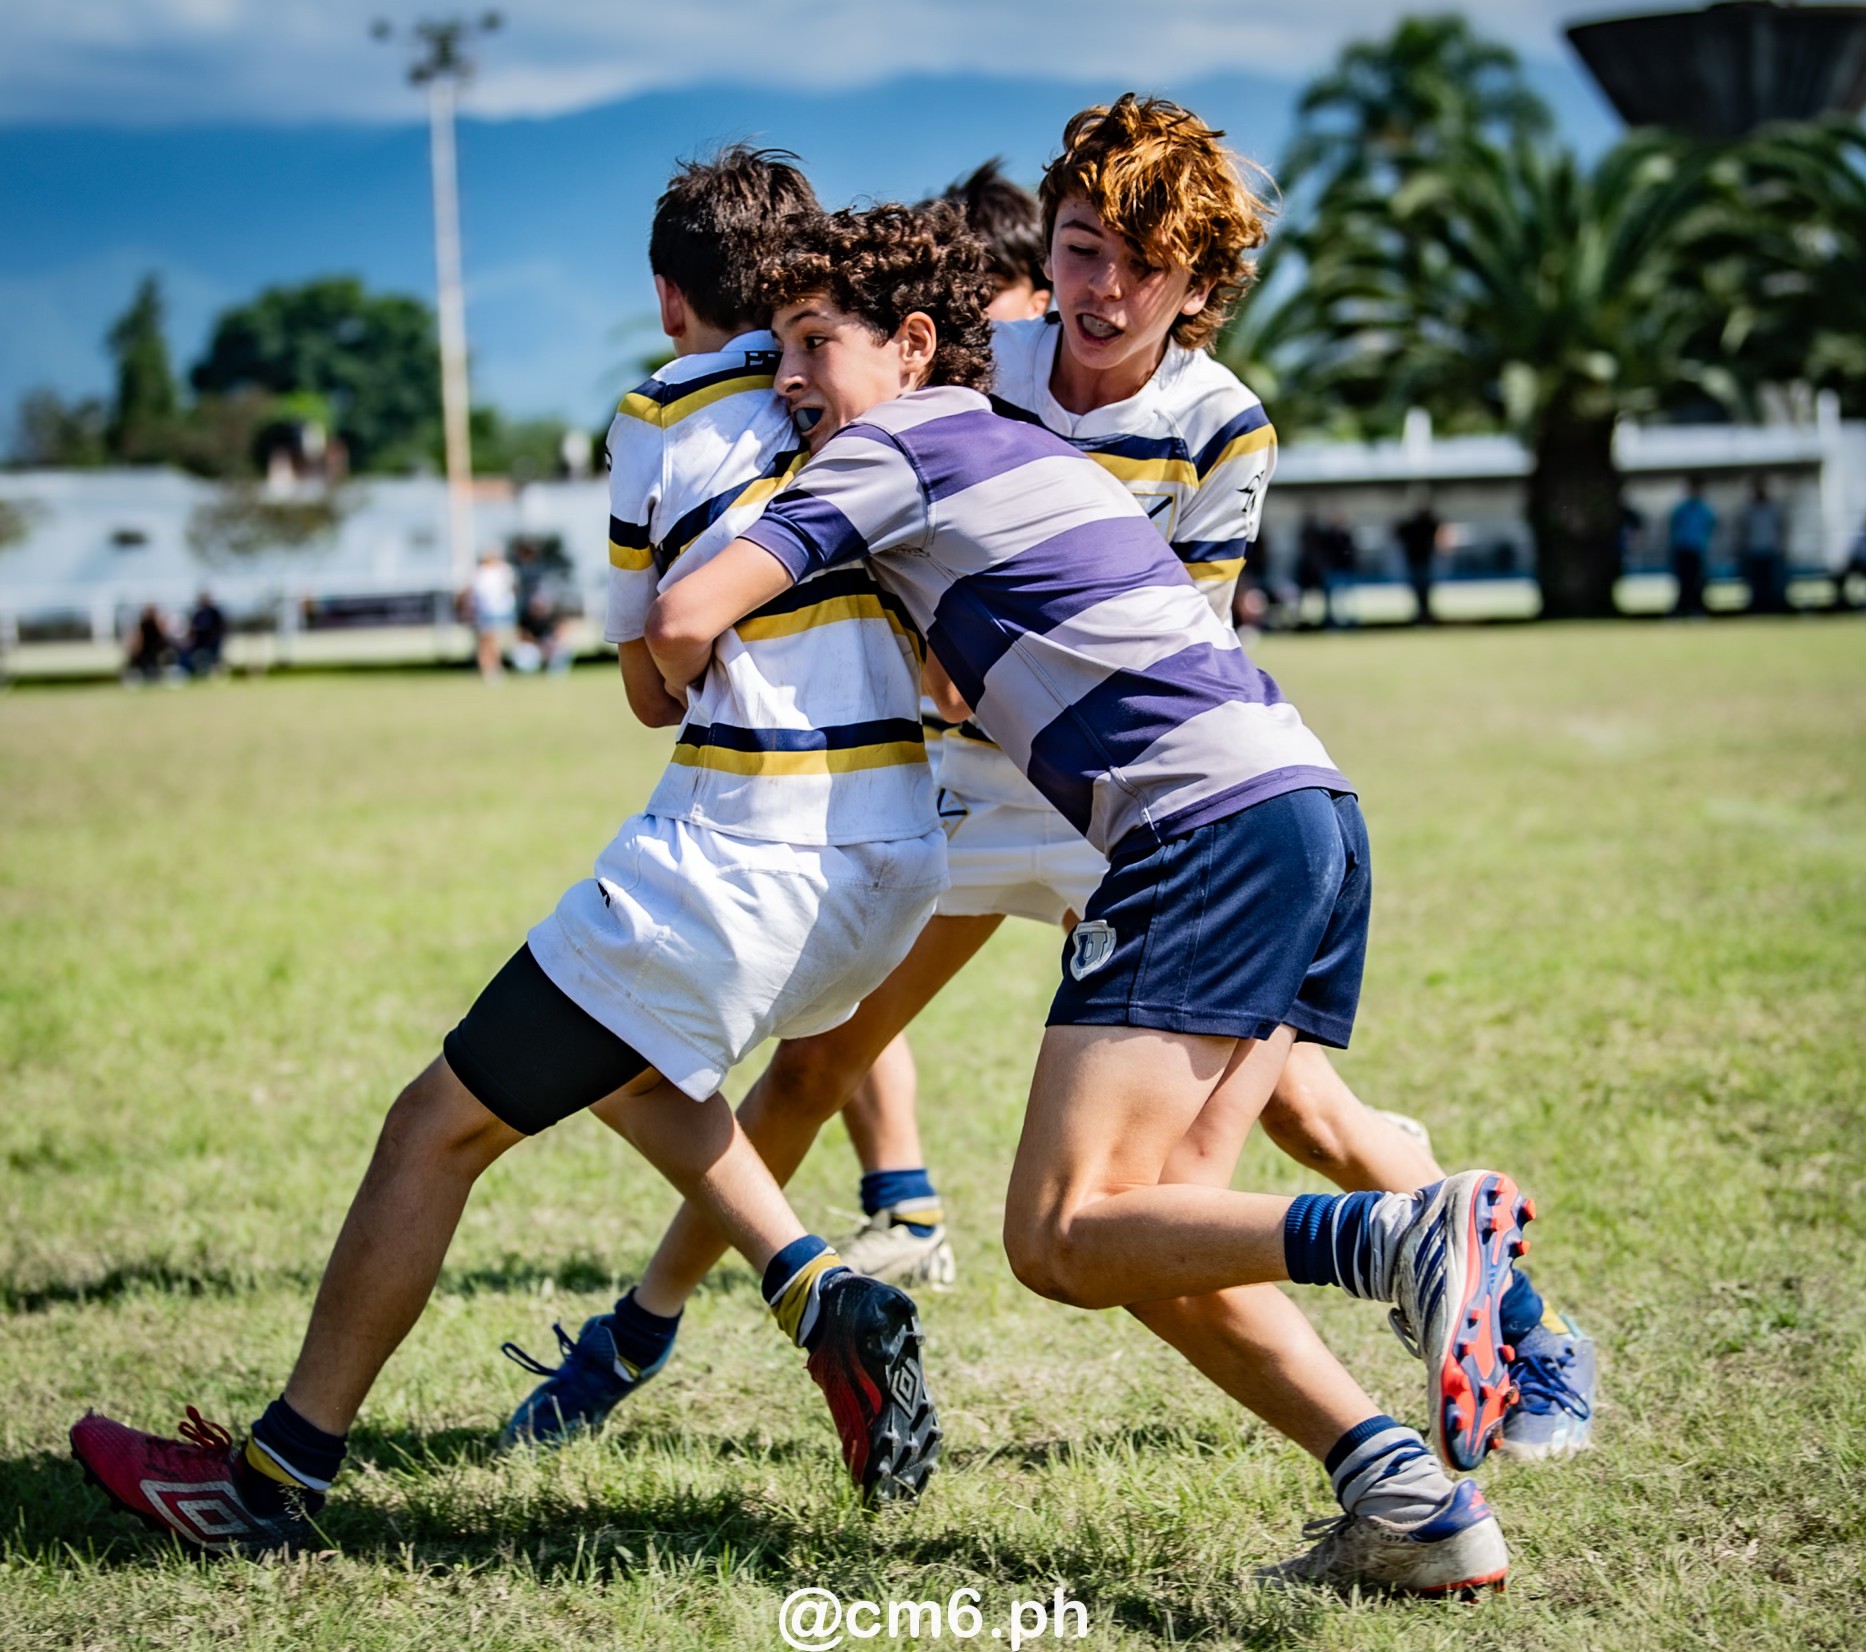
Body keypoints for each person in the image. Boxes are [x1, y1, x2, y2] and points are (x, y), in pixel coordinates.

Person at [557, 97, 1593, 1491]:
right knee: (813, 1066)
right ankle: (640, 1327)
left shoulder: (1222, 423)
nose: (1101, 291)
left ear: (1199, 286)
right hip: (990, 786)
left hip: (1143, 799)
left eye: (1142, 266)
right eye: (1079, 251)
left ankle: (1523, 1333)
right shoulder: (989, 363)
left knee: (1298, 1120)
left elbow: (1176, 628)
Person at [69, 147, 948, 1555]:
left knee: (436, 1125)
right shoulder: (886, 397)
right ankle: (818, 1292)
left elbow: (647, 682)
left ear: (669, 297)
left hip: (748, 845)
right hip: (899, 854)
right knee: (619, 1059)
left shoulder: (659, 408)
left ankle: (269, 1487)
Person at [1738, 477, 1787, 616]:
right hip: (1753, 551)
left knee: (1773, 583)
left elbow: (1782, 528)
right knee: (1756, 584)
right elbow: (1742, 530)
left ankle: (1773, 607)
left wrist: (1781, 546)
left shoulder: (1774, 508)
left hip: (1771, 550)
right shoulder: (1748, 510)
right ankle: (1757, 608)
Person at [1669, 476, 1716, 619]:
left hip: (1697, 549)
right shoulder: (1681, 509)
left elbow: (1711, 526)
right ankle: (1681, 609)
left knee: (1697, 580)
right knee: (1683, 581)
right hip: (1682, 549)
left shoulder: (1705, 510)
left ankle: (1697, 608)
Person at [469, 549, 517, 678]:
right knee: (487, 642)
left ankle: (495, 666)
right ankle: (487, 668)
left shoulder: (504, 570)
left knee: (497, 642)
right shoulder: (481, 573)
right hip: (487, 611)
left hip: (501, 610)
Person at [1396, 496, 1440, 625]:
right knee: (1419, 591)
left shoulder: (1426, 525)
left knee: (1424, 591)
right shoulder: (1412, 526)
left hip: (1424, 562)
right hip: (1416, 562)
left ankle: (1424, 615)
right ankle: (1422, 615)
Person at [182, 590, 227, 677]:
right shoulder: (198, 613)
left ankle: (217, 674)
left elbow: (220, 627)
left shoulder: (214, 613)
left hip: (212, 642)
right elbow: (193, 628)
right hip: (200, 642)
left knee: (214, 660)